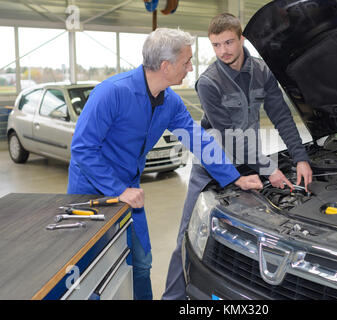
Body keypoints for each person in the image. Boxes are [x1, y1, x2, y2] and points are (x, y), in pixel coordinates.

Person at [67, 27, 263, 300]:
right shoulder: (111, 93)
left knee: (141, 263)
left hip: (130, 192)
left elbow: (198, 139)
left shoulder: (169, 101)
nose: (190, 68)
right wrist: (118, 190)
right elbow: (82, 149)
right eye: (186, 62)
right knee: (94, 274)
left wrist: (233, 177)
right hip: (91, 192)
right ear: (166, 66)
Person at [162, 13, 313, 300]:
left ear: (242, 39)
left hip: (249, 160)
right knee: (188, 236)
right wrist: (270, 169)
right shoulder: (209, 82)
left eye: (229, 42)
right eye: (216, 45)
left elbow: (281, 115)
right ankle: (173, 298)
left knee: (249, 237)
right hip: (212, 165)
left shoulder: (261, 72)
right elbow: (229, 134)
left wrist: (300, 158)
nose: (223, 51)